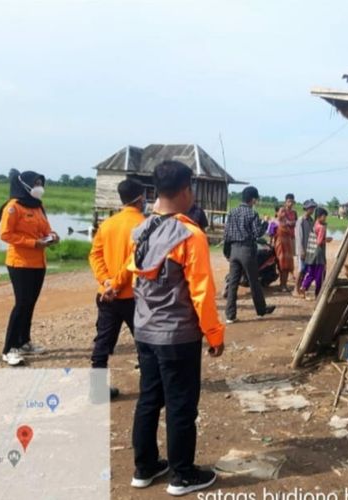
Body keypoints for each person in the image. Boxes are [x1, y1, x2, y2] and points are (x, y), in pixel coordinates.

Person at [128, 161, 224, 495]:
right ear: (185, 190)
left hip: (145, 331)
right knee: (181, 405)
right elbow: (202, 293)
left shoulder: (141, 229)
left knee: (149, 400)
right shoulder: (190, 235)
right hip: (178, 336)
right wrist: (215, 334)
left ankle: (144, 467)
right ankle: (182, 475)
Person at [88, 179, 146, 399]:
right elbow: (135, 260)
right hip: (132, 295)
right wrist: (117, 283)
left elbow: (94, 255)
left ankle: (97, 390)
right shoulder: (143, 225)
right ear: (141, 198)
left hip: (106, 296)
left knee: (102, 342)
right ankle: (149, 387)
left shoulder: (108, 224)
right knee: (143, 343)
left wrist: (106, 282)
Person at [0, 169, 59, 366]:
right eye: (36, 183)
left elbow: (45, 228)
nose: (39, 187)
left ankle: (24, 341)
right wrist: (33, 243)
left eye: (41, 183)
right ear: (25, 185)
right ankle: (9, 349)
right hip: (20, 263)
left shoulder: (38, 206)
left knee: (30, 303)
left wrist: (52, 236)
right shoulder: (13, 207)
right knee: (22, 304)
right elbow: (5, 234)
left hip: (38, 263)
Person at [223, 186, 276, 323]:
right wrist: (265, 222)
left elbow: (227, 233)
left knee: (233, 283)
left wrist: (227, 252)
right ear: (252, 200)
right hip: (247, 250)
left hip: (234, 249)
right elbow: (257, 233)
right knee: (254, 282)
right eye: (256, 200)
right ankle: (261, 309)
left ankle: (230, 315)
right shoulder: (252, 213)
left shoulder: (232, 212)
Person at [300, 207, 333, 298]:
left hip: (311, 254)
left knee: (311, 274)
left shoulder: (314, 225)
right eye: (324, 216)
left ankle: (303, 287)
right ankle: (318, 294)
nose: (325, 218)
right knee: (319, 275)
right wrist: (327, 240)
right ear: (319, 216)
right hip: (318, 255)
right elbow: (319, 242)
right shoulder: (321, 227)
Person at [274, 193, 297, 292]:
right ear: (278, 213)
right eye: (281, 212)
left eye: (284, 212)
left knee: (287, 265)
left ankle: (284, 284)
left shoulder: (285, 224)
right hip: (280, 246)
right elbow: (272, 234)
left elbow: (294, 223)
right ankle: (282, 284)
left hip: (288, 244)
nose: (283, 214)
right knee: (282, 265)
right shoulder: (275, 223)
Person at [294, 199, 317, 297]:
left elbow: (313, 234)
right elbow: (299, 236)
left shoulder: (311, 220)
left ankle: (300, 289)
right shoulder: (301, 220)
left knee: (305, 270)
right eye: (310, 208)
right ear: (306, 209)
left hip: (309, 249)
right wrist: (301, 250)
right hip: (302, 250)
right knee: (301, 269)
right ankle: (295, 289)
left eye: (313, 208)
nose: (312, 210)